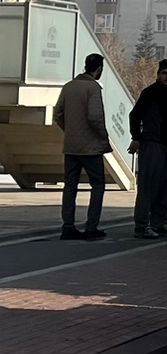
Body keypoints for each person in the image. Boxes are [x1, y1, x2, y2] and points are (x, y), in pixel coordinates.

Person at [53, 53, 111, 241]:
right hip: (90, 147)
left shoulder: (69, 86)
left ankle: (68, 226)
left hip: (71, 145)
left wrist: (69, 130)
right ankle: (91, 226)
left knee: (70, 186)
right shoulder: (93, 88)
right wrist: (103, 138)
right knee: (98, 185)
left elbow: (58, 113)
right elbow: (95, 117)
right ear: (99, 69)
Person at [129, 59, 167, 239]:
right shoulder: (150, 93)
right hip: (152, 143)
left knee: (164, 187)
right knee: (148, 186)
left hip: (166, 145)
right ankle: (142, 225)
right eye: (164, 73)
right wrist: (137, 137)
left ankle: (158, 223)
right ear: (158, 74)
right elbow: (135, 115)